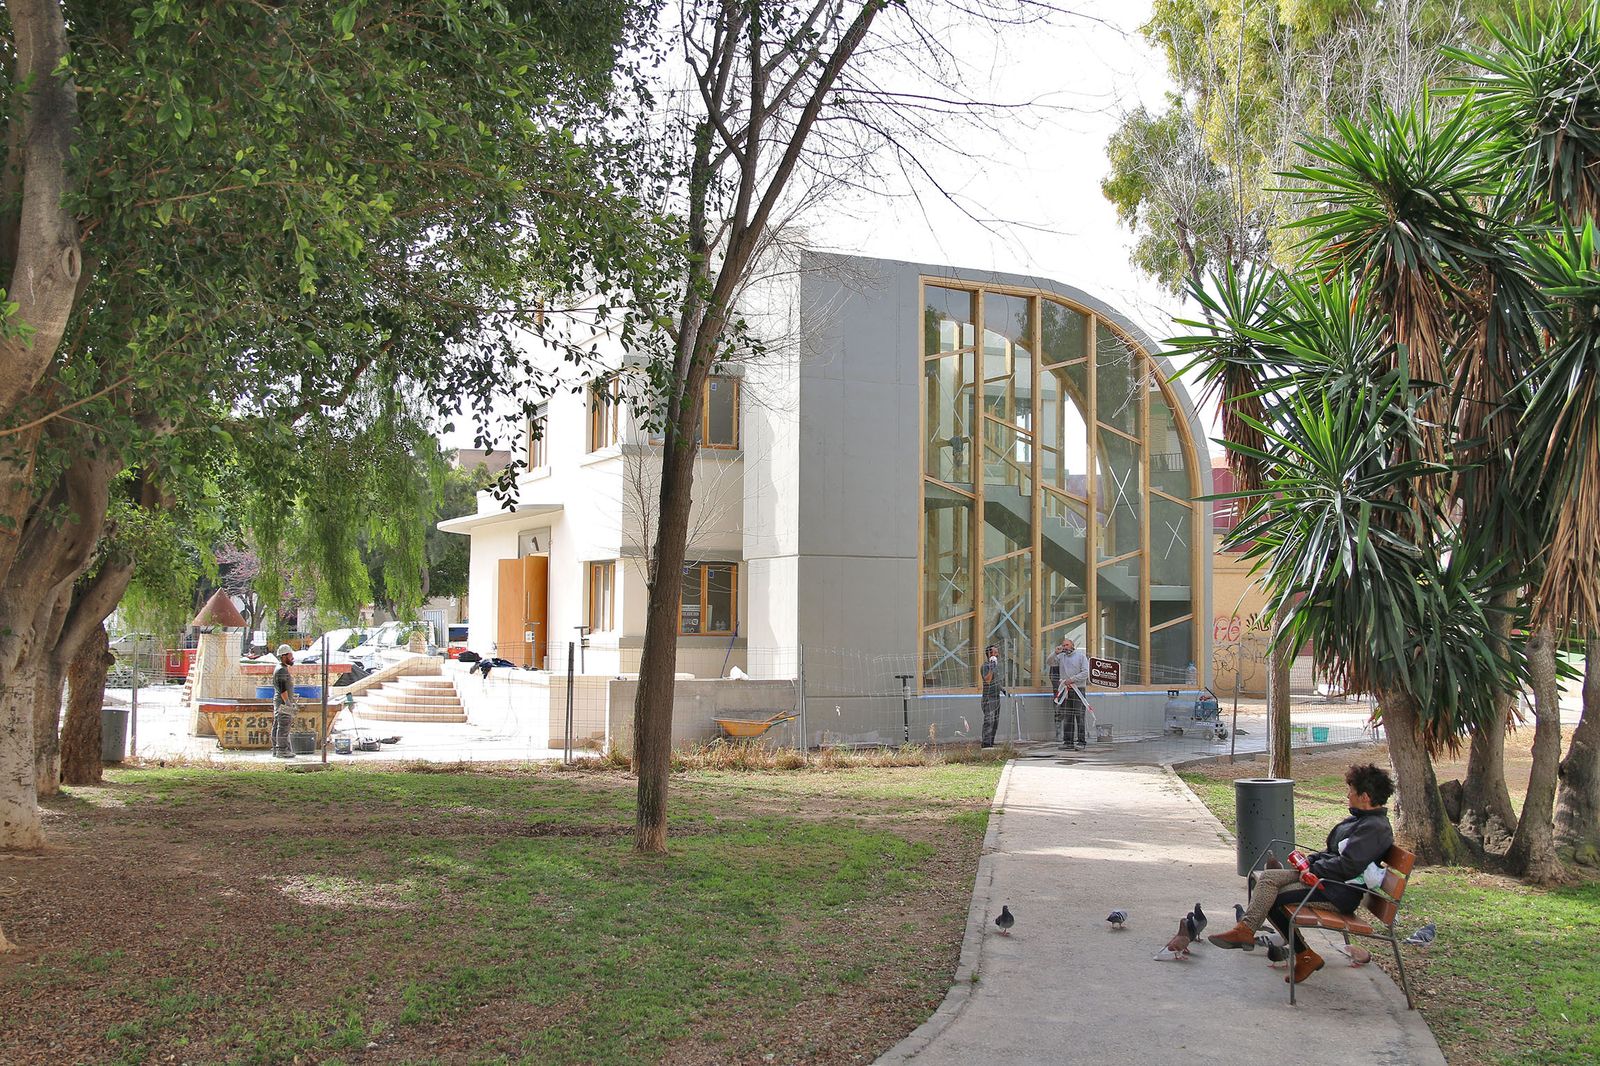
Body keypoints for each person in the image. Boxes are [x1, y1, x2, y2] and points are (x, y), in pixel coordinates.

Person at [1208, 763, 1396, 985]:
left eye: (1351, 791)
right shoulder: (1360, 820)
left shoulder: (1375, 828)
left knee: (1274, 900)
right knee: (1268, 878)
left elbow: (1348, 867)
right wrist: (1309, 861)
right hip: (1324, 879)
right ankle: (1246, 929)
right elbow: (1332, 853)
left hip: (1338, 892)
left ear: (1365, 797)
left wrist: (1311, 868)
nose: (1347, 794)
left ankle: (1303, 956)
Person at [1053, 638, 1090, 750]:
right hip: (1066, 690)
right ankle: (1068, 742)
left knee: (1079, 716)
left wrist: (1072, 679)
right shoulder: (1061, 657)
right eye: (1063, 645)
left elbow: (1085, 673)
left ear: (1072, 645)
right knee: (1068, 716)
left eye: (1067, 645)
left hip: (1078, 689)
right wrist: (1055, 652)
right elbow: (1049, 662)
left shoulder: (1080, 656)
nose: (1065, 647)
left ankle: (1081, 741)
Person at [271, 643, 297, 759]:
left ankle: (277, 750)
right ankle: (282, 750)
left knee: (278, 725)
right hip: (283, 702)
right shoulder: (281, 670)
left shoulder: (282, 668)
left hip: (280, 701)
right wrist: (288, 702)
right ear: (284, 656)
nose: (292, 658)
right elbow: (282, 689)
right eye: (290, 655)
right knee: (283, 726)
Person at [980, 644, 1006, 747]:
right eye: (995, 652)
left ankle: (991, 741)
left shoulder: (996, 667)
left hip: (996, 697)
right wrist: (991, 668)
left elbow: (996, 681)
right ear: (990, 654)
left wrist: (1003, 690)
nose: (997, 654)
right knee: (989, 720)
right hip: (988, 698)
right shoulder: (985, 666)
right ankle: (986, 743)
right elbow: (988, 680)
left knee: (995, 721)